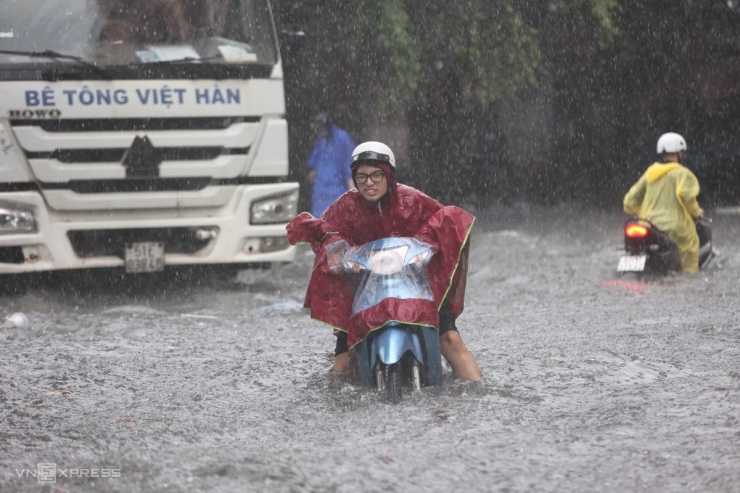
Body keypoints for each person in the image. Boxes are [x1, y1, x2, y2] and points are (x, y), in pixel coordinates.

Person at [287, 141, 482, 381]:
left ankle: (479, 394)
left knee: (451, 339)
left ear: (389, 174)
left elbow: (443, 224)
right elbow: (328, 234)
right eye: (362, 176)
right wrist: (337, 253)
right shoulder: (344, 207)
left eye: (377, 174)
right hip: (364, 291)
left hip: (416, 287)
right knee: (342, 364)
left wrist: (427, 250)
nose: (369, 183)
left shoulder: (413, 200)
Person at [623, 132, 704, 273]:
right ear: (680, 153)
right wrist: (697, 213)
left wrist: (645, 211)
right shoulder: (683, 173)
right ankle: (690, 277)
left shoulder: (650, 173)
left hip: (650, 225)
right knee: (691, 249)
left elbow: (629, 201)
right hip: (676, 229)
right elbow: (687, 197)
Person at [306, 113, 355, 217]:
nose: (319, 133)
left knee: (336, 220)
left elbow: (349, 164)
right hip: (320, 191)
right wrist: (312, 172)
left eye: (321, 130)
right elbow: (315, 159)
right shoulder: (321, 140)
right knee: (319, 222)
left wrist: (352, 191)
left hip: (337, 190)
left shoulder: (343, 139)